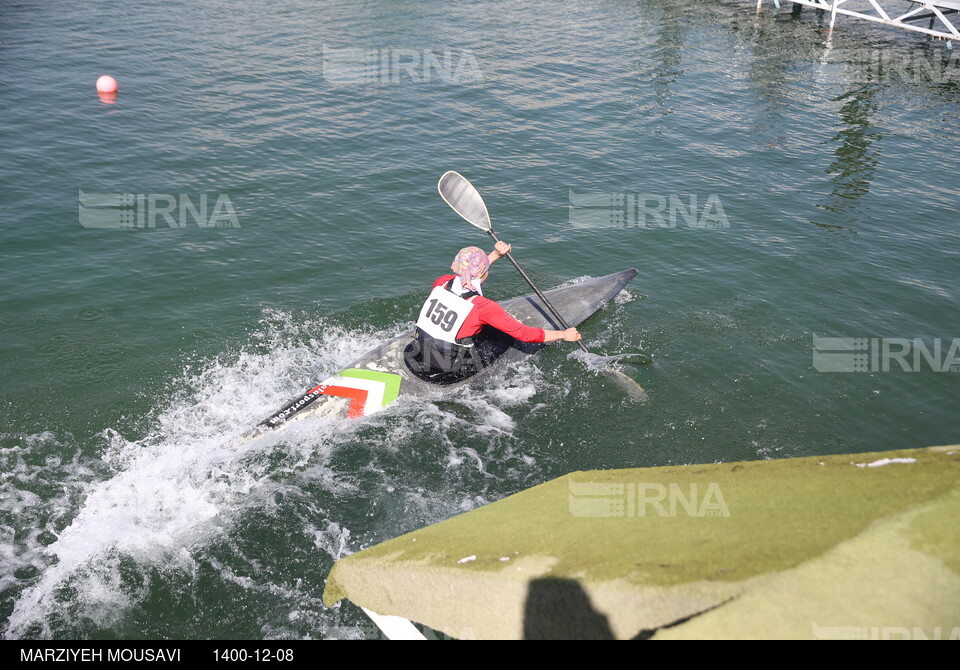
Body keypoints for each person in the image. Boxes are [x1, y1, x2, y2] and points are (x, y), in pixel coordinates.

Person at [403, 241, 581, 383]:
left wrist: (495, 255)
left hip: (417, 353)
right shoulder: (483, 307)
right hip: (446, 368)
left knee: (473, 327)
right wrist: (563, 334)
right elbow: (524, 334)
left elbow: (470, 276)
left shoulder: (441, 282)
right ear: (483, 273)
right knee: (505, 335)